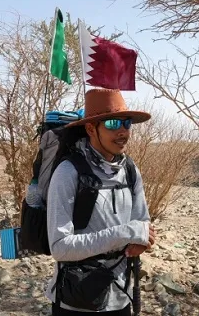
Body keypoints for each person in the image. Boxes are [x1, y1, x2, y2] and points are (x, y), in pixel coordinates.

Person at [45, 88, 156, 315]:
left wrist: (141, 239)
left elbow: (142, 224)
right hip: (76, 299)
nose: (123, 131)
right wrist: (125, 234)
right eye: (113, 124)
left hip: (121, 296)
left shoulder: (130, 170)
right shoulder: (68, 172)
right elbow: (60, 248)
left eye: (127, 123)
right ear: (90, 128)